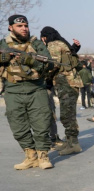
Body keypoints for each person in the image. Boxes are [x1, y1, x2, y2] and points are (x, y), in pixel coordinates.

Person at [0, 15, 53, 169]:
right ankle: (31, 156)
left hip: (36, 88)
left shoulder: (36, 43)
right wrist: (4, 57)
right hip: (12, 90)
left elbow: (49, 64)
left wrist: (29, 60)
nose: (24, 28)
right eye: (19, 26)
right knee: (17, 125)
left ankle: (43, 156)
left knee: (41, 123)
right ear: (10, 28)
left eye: (25, 25)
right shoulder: (3, 44)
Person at [40, 26, 83, 156]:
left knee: (67, 115)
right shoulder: (62, 43)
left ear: (45, 37)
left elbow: (53, 64)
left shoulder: (53, 44)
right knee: (67, 113)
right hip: (69, 82)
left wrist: (44, 77)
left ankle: (74, 144)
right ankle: (69, 141)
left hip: (66, 83)